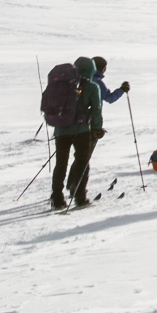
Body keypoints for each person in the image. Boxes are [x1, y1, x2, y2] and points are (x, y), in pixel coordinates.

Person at [53, 56, 104, 210]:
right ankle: (80, 197)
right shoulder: (92, 87)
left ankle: (57, 198)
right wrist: (97, 129)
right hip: (81, 131)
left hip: (61, 129)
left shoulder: (62, 85)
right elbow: (96, 110)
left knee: (60, 164)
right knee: (82, 161)